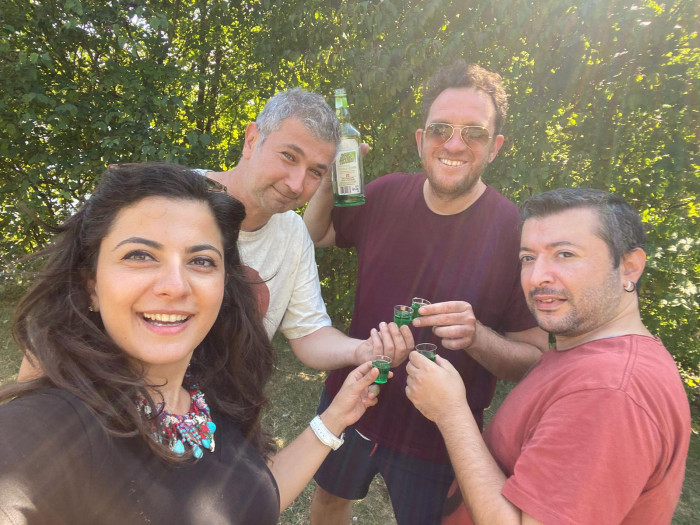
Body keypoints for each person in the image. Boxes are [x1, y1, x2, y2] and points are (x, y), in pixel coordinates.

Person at [0, 163, 392, 523]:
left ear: (224, 285)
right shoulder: (50, 430)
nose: (175, 286)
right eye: (140, 255)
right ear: (92, 285)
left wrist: (335, 417)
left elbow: (250, 501)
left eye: (201, 261)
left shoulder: (212, 398)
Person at [17, 88, 412, 380]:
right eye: (289, 156)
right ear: (252, 140)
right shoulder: (162, 198)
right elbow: (61, 313)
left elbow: (309, 332)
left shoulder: (293, 234)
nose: (296, 183)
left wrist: (362, 350)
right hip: (115, 401)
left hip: (214, 421)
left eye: (315, 172)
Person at [302, 62, 549, 524]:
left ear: (494, 147)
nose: (454, 144)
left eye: (474, 133)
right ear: (420, 140)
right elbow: (317, 235)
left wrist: (477, 336)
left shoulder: (514, 234)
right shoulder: (384, 194)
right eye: (440, 129)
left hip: (437, 431)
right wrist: (329, 182)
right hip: (352, 396)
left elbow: (534, 358)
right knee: (330, 499)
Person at [406, 188, 691, 524]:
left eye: (565, 254)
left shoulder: (608, 391)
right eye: (528, 258)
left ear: (629, 267)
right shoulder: (586, 354)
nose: (537, 276)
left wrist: (451, 413)